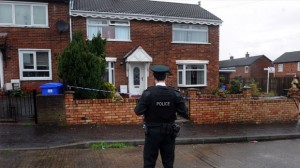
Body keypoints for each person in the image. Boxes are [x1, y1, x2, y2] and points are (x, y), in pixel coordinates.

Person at [134, 65, 187, 168]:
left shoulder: (148, 93)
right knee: (168, 163)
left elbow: (138, 111)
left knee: (149, 162)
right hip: (169, 132)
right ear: (166, 77)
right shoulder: (175, 94)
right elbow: (184, 111)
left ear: (154, 78)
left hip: (152, 132)